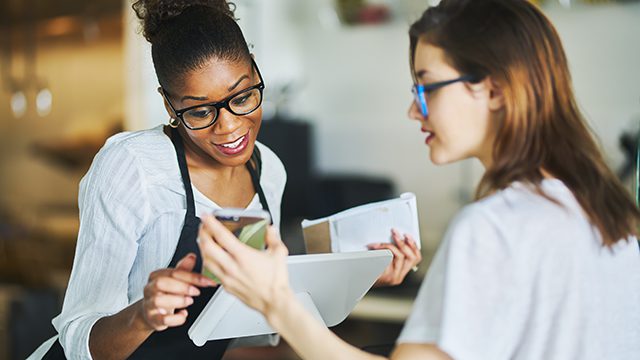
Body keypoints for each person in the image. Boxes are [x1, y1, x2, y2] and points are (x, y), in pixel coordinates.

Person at [196, 0, 640, 359]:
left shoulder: (492, 228)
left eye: (425, 88)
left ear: (495, 89)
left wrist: (277, 301)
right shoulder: (609, 215)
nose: (414, 110)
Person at [28, 1, 420, 358]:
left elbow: (252, 323)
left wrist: (361, 273)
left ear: (256, 71)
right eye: (199, 112)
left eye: (243, 96)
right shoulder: (133, 166)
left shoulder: (269, 171)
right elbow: (77, 339)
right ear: (169, 104)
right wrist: (143, 316)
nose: (230, 127)